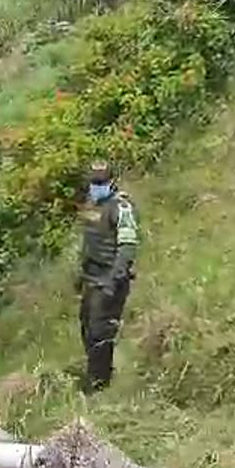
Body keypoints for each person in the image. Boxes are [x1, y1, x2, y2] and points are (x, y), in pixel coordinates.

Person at [76, 162, 139, 393]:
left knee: (100, 330)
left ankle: (100, 384)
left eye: (101, 183)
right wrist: (80, 275)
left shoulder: (121, 208)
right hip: (91, 277)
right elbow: (89, 242)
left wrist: (115, 278)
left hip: (110, 277)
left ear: (111, 182)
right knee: (86, 327)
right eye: (93, 182)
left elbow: (127, 246)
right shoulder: (92, 204)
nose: (96, 187)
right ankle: (95, 374)